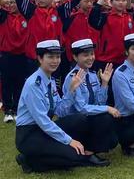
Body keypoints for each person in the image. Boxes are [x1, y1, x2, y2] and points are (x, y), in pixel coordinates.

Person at [15, 40, 110, 173]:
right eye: (50, 57)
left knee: (80, 119)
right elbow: (43, 121)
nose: (55, 60)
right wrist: (69, 140)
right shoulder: (33, 84)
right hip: (29, 134)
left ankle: (74, 152)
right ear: (40, 58)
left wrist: (71, 90)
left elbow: (60, 111)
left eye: (58, 57)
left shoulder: (51, 81)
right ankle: (29, 160)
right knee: (73, 156)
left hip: (44, 130)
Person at [0, 0, 100, 75]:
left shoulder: (60, 12)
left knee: (53, 88)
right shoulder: (31, 10)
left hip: (54, 58)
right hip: (34, 58)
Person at [62, 39, 120, 154]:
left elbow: (99, 104)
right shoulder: (72, 77)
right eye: (85, 55)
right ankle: (89, 150)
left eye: (92, 54)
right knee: (107, 117)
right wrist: (108, 108)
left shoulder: (92, 75)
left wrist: (104, 83)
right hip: (77, 122)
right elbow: (81, 108)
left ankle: (91, 146)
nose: (90, 58)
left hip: (89, 118)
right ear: (75, 57)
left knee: (113, 140)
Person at [0, 0, 28, 122]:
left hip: (22, 55)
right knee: (7, 83)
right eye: (8, 2)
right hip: (6, 55)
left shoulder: (26, 16)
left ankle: (17, 108)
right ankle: (8, 110)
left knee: (19, 83)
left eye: (13, 2)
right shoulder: (4, 16)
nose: (10, 5)